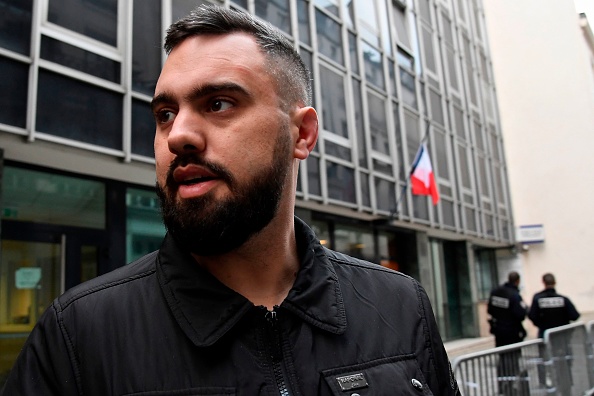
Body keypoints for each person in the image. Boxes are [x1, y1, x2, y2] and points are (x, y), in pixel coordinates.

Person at [1, 5, 459, 396]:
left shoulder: (400, 306)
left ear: (301, 133)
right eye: (165, 114)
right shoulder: (79, 333)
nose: (177, 134)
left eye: (219, 103)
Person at [487, 271, 528, 395]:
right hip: (512, 332)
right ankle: (510, 386)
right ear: (517, 281)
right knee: (513, 358)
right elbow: (520, 314)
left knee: (502, 357)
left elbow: (490, 309)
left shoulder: (496, 292)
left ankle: (502, 385)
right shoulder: (514, 295)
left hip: (499, 331)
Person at [529, 273, 580, 338]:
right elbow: (575, 316)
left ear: (543, 282)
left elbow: (532, 316)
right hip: (563, 336)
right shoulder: (563, 299)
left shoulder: (538, 298)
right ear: (555, 282)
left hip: (545, 335)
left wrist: (541, 324)